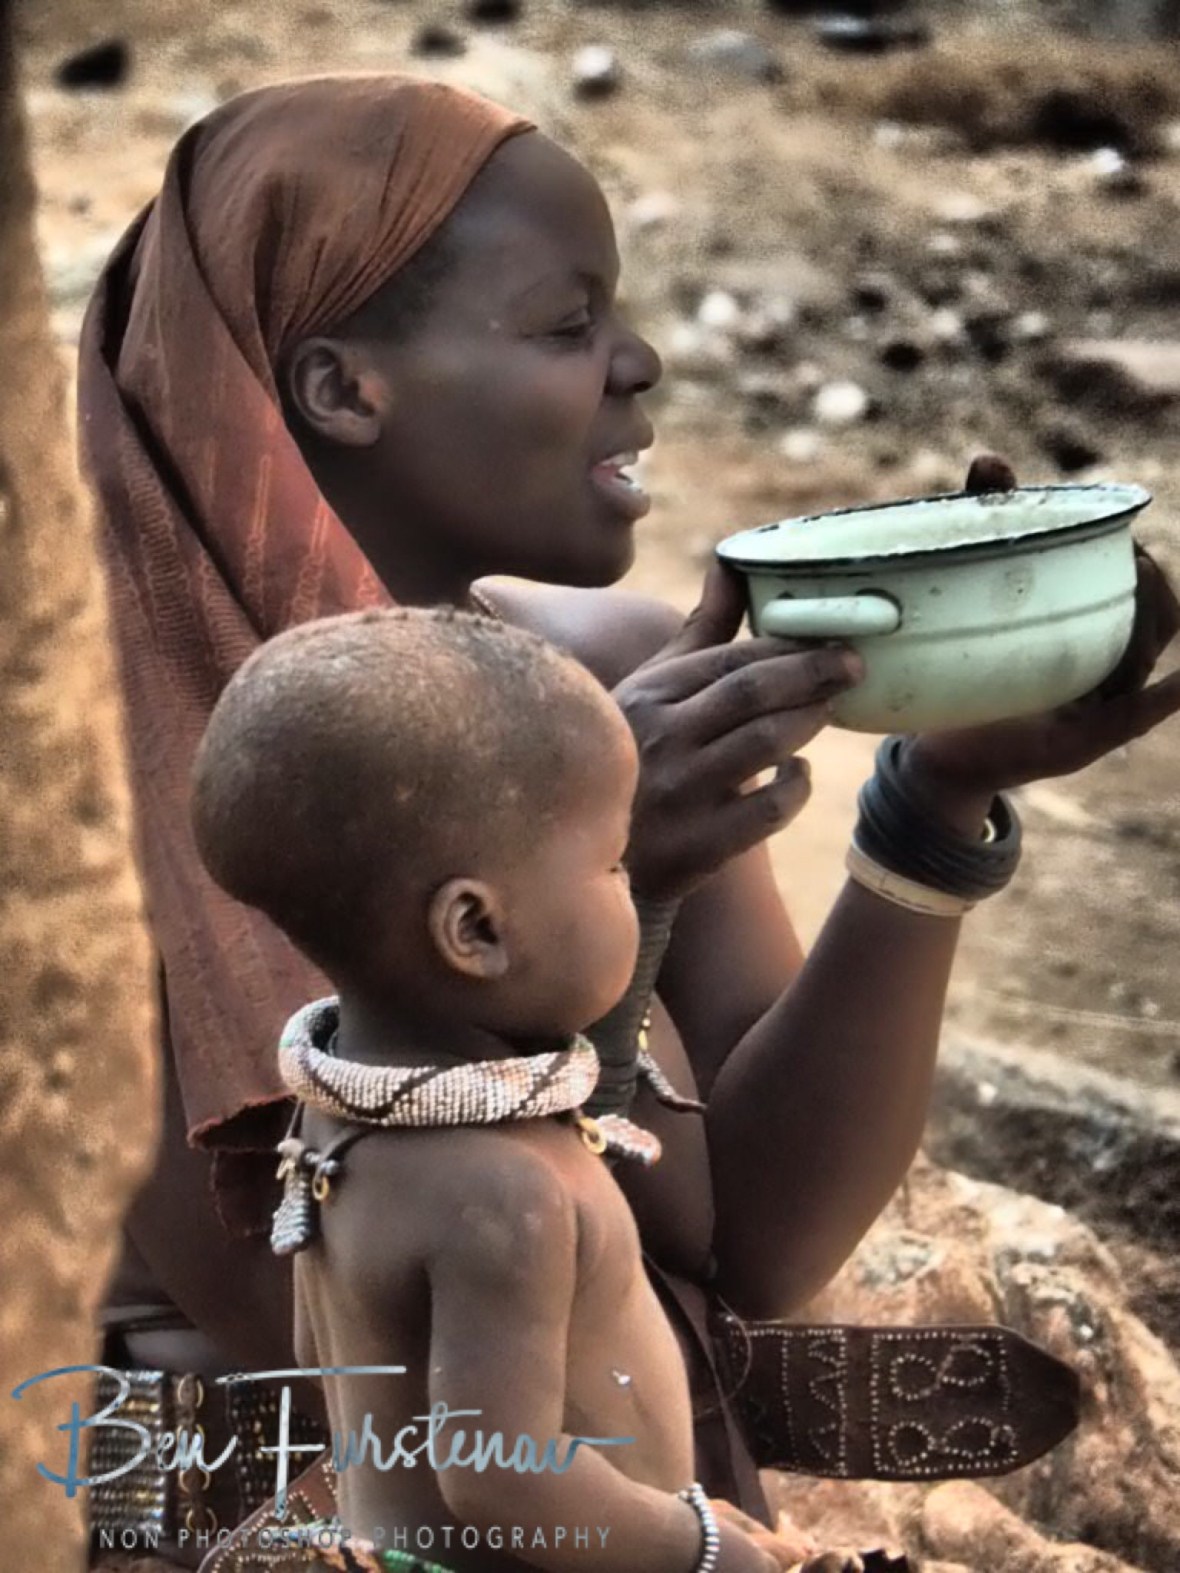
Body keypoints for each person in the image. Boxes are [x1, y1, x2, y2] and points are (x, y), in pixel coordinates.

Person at [78, 72, 1180, 1566]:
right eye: (566, 325)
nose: (642, 362)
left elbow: (769, 1241)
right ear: (344, 390)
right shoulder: (117, 821)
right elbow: (386, 1369)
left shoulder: (602, 676)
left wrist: (932, 802)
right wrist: (611, 865)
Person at [190, 605, 795, 1573]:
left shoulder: (343, 1112)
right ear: (475, 929)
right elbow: (501, 1475)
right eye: (612, 863)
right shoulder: (499, 1192)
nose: (629, 883)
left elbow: (329, 1362)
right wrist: (708, 1549)